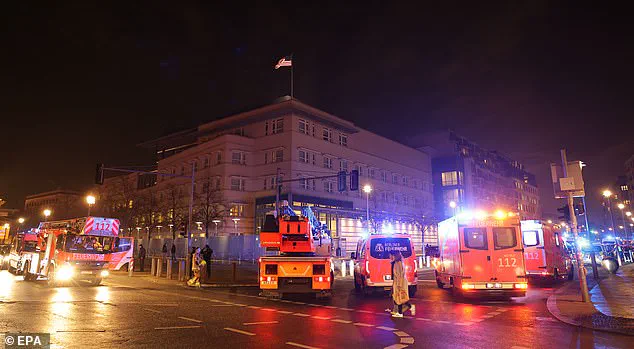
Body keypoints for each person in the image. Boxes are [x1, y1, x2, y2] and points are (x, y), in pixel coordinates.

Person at [389, 250, 415, 318]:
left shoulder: (398, 263)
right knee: (398, 297)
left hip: (400, 282)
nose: (390, 256)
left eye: (391, 255)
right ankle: (399, 311)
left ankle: (405, 309)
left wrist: (399, 284)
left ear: (394, 255)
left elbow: (400, 274)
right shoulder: (395, 262)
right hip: (397, 281)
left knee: (400, 297)